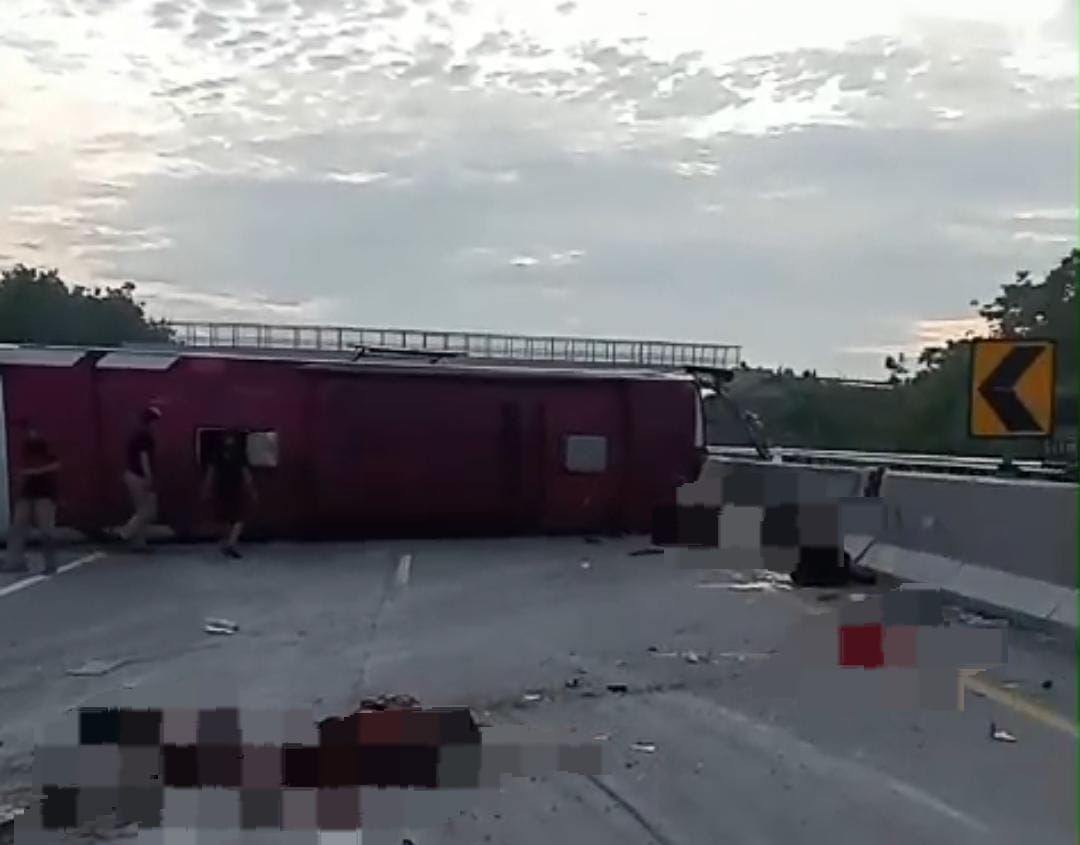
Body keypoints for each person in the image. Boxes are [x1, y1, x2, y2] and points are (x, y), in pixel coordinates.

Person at [3, 423, 60, 574]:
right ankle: (15, 561)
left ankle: (50, 562)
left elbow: (56, 464)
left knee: (45, 527)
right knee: (18, 525)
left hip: (45, 488)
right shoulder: (28, 446)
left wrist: (31, 472)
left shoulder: (48, 445)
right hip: (30, 487)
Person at [202, 430, 255, 559]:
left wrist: (206, 488)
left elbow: (211, 472)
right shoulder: (240, 453)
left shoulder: (217, 453)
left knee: (224, 518)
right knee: (239, 519)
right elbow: (246, 473)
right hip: (236, 488)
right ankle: (231, 545)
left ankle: (225, 543)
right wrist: (252, 489)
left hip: (221, 488)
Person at [116, 406, 162, 551]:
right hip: (139, 476)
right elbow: (144, 458)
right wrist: (149, 477)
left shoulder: (137, 433)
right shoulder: (145, 436)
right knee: (148, 511)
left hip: (131, 474)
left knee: (140, 511)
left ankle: (139, 544)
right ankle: (126, 531)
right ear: (152, 421)